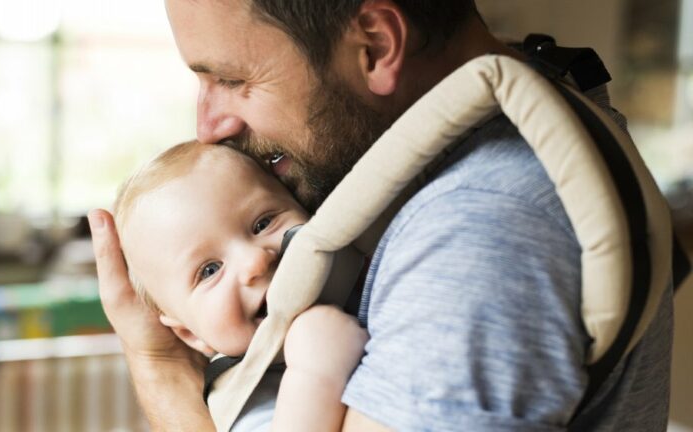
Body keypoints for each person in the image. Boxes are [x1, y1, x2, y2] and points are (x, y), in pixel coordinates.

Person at [88, 1, 673, 430]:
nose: (210, 126)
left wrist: (162, 369)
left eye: (233, 79)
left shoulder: (474, 229)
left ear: (375, 46)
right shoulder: (547, 96)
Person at [112, 140, 368, 431]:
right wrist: (318, 371)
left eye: (263, 223)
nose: (255, 262)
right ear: (190, 334)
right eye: (209, 270)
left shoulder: (372, 264)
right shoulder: (246, 397)